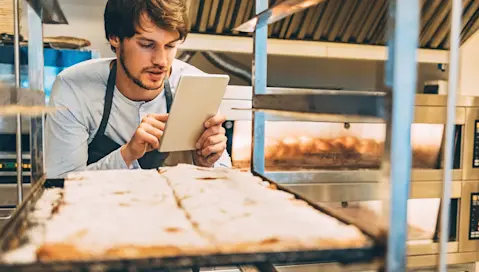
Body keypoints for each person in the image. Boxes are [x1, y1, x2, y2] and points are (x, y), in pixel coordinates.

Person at [45, 0, 231, 179]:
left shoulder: (197, 85)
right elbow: (60, 184)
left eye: (170, 46)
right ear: (114, 37)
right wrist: (128, 154)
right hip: (99, 209)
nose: (161, 61)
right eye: (147, 45)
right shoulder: (74, 88)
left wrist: (207, 162)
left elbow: (222, 177)